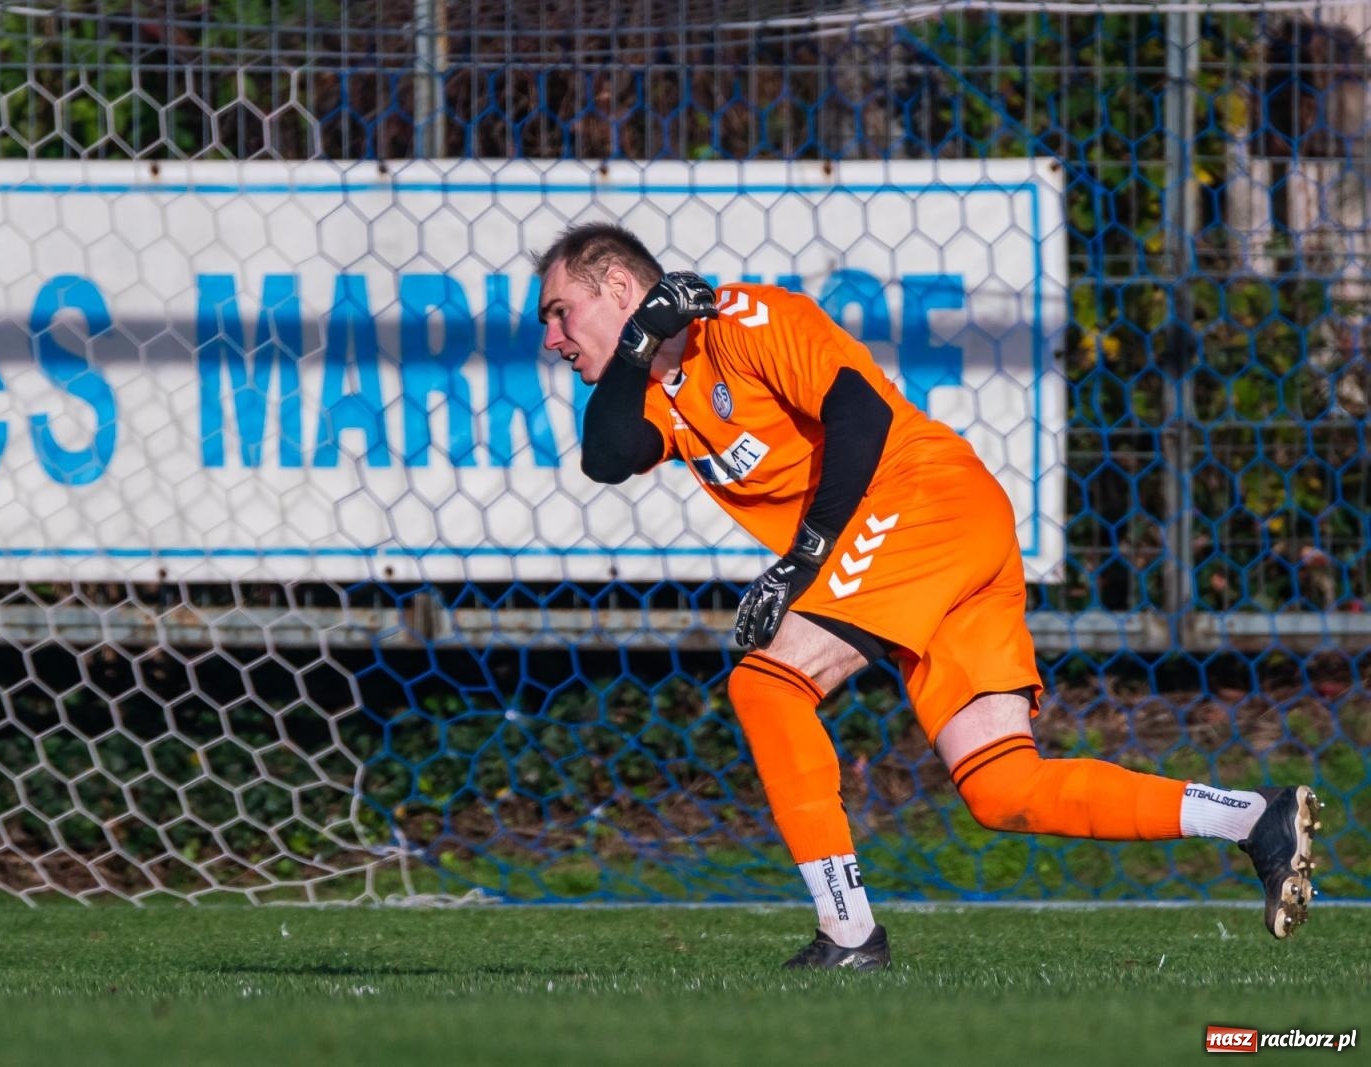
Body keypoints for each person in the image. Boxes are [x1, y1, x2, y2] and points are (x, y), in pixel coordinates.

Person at [532, 222, 1321, 970]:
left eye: (561, 312)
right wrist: (636, 345)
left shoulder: (747, 316)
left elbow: (860, 412)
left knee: (766, 682)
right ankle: (1255, 819)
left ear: (621, 284)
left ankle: (848, 932)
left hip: (921, 499)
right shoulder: (661, 384)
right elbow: (608, 455)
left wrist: (806, 555)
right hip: (931, 536)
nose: (552, 338)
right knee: (1001, 786)